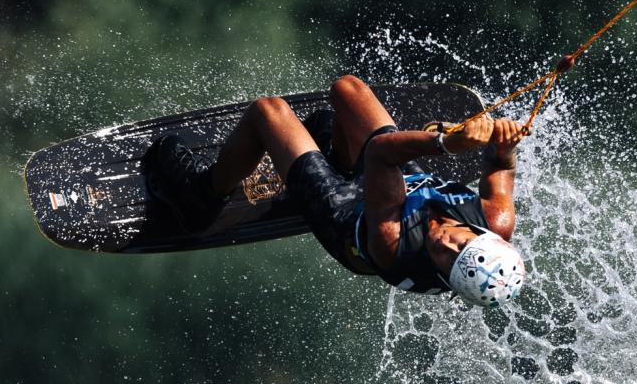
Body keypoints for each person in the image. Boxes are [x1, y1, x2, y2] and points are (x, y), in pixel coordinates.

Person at [147, 75, 526, 307]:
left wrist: (445, 142)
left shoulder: (392, 242)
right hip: (392, 190)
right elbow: (501, 164)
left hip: (347, 217)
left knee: (268, 112)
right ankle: (340, 157)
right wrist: (503, 142)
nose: (445, 244)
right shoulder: (496, 218)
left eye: (447, 260)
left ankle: (201, 195)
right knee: (347, 90)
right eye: (461, 244)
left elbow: (381, 154)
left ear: (447, 279)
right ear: (482, 233)